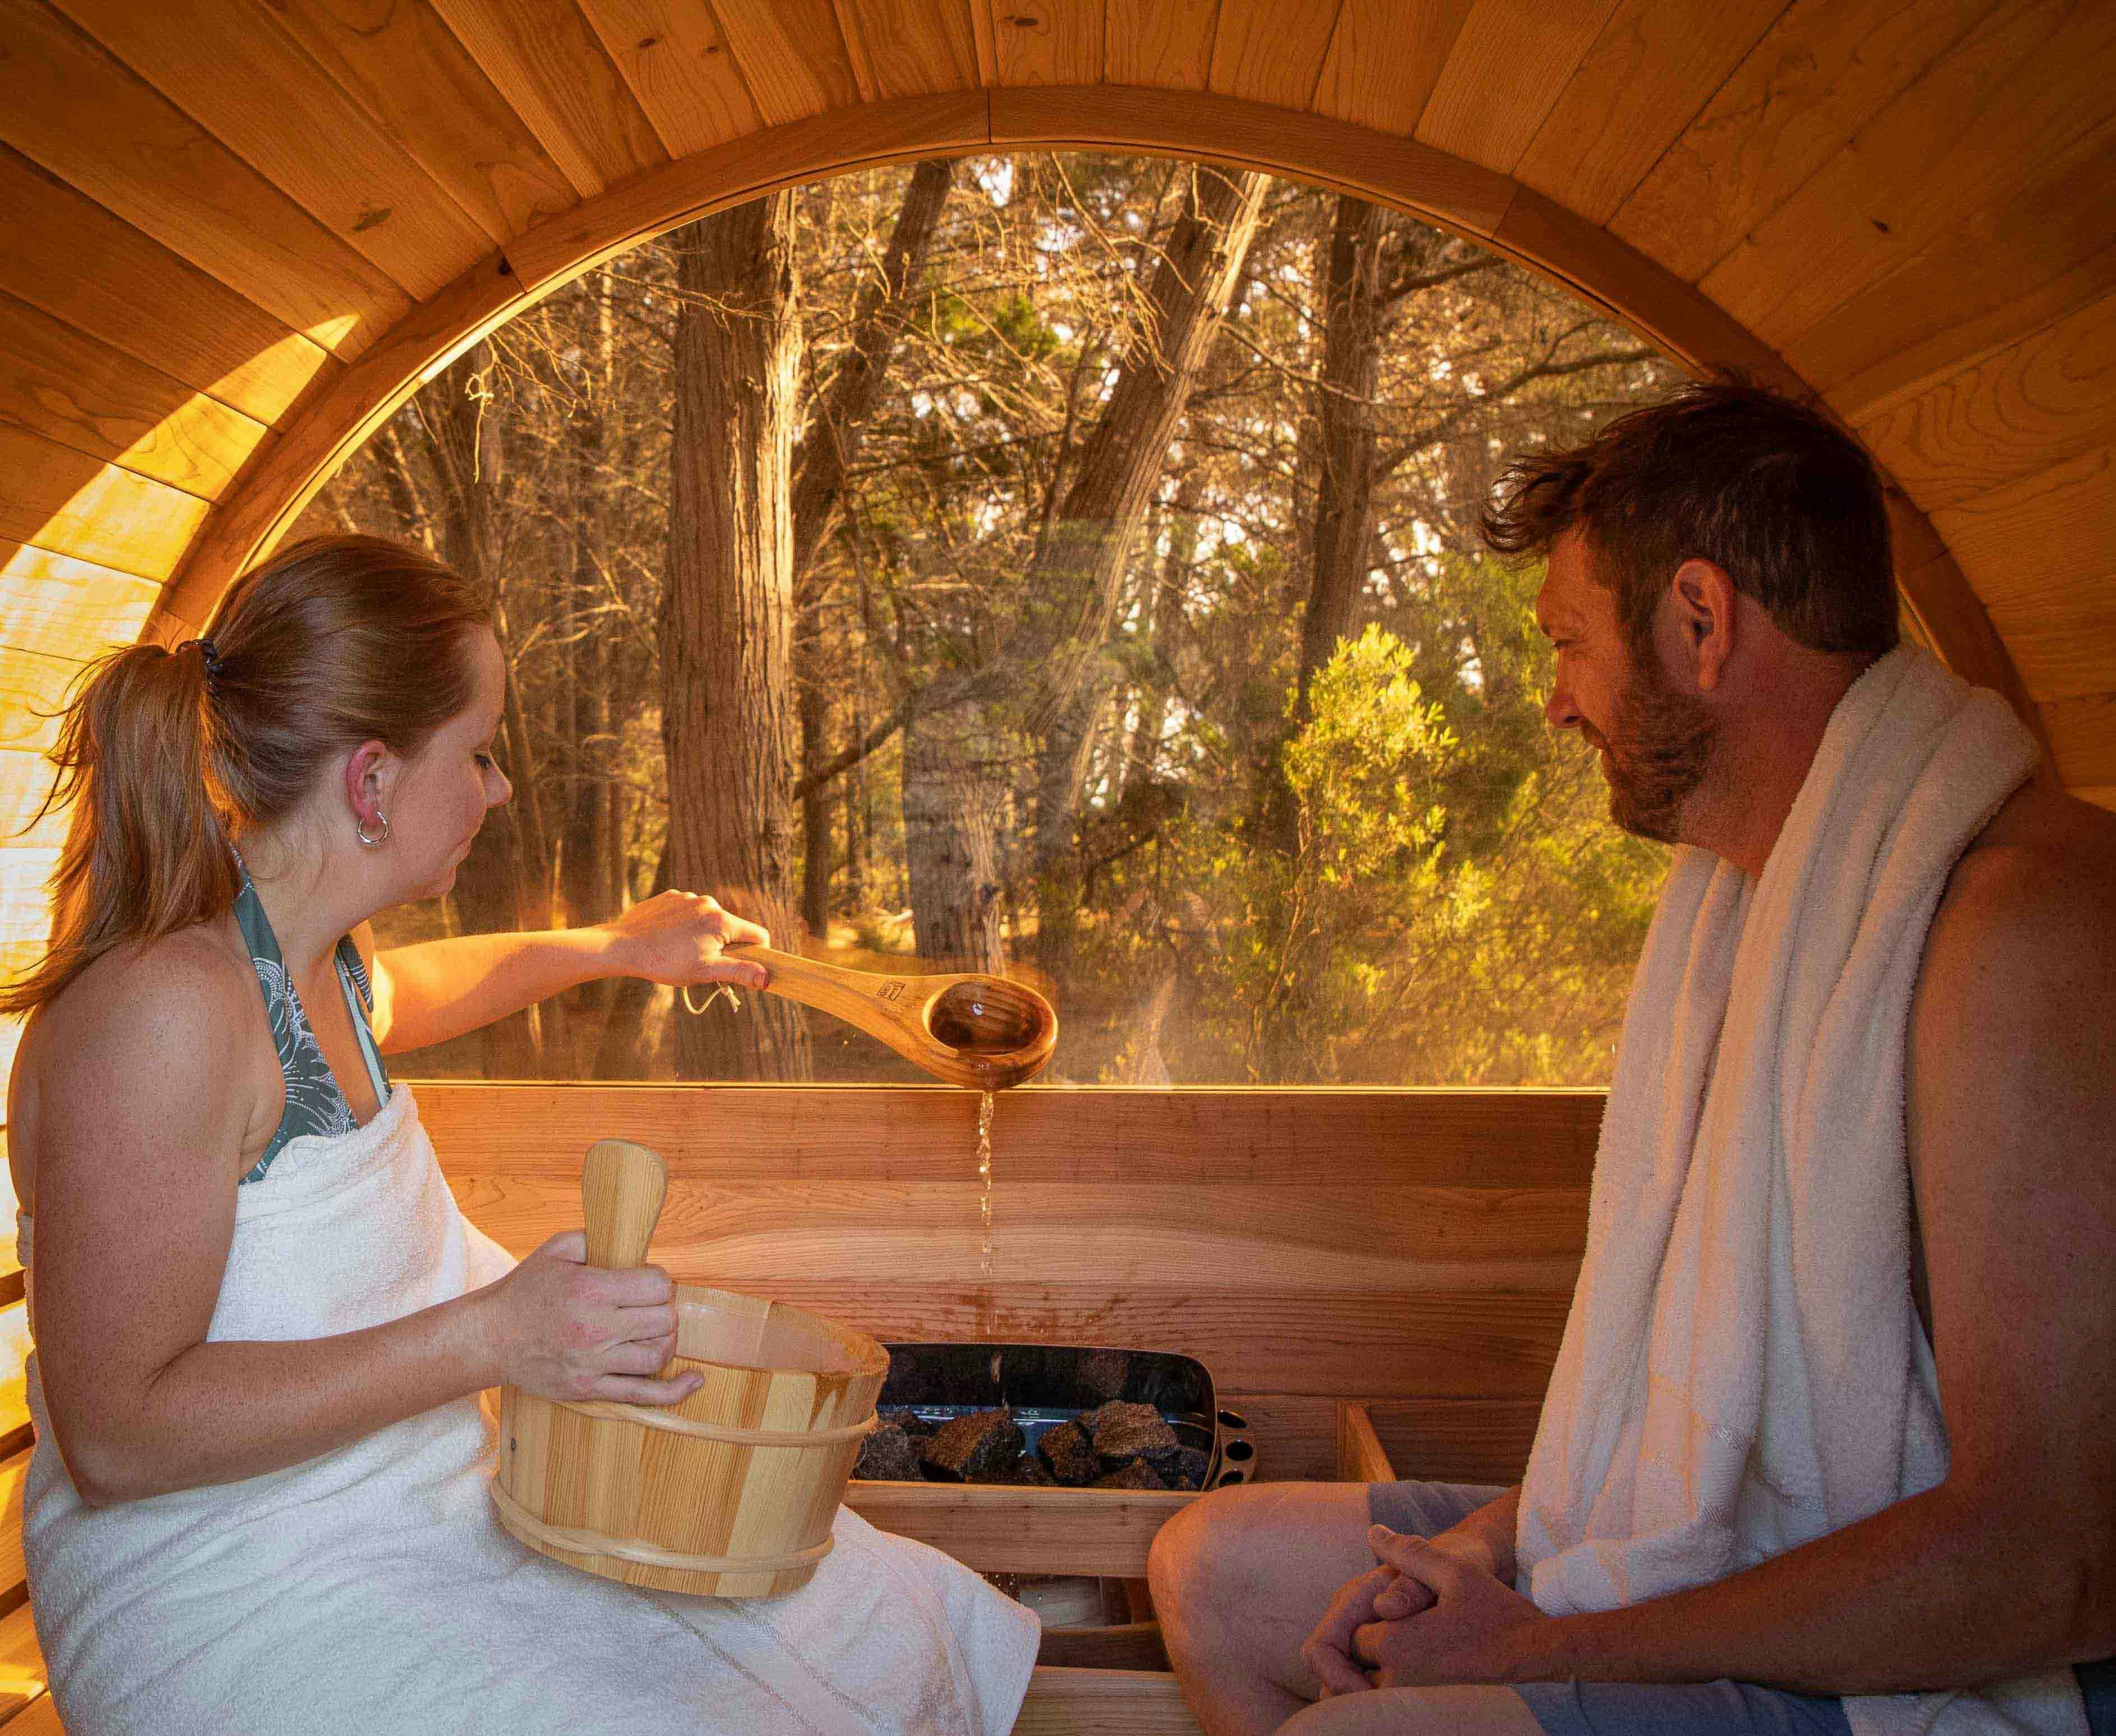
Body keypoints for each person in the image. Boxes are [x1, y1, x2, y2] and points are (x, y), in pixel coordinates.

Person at [1148, 380, 2116, 1736]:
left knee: (1382, 1731)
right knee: (1220, 1570)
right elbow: (1698, 1432)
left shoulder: (2015, 936)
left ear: (1702, 623)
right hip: (1744, 1560)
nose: (1557, 705)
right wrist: (1489, 1560)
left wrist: (1544, 1646)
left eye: (1567, 643)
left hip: (1956, 1666)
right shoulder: (1757, 906)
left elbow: (2052, 1564)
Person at [2, 534, 1038, 1736]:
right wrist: (495, 1334)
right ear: (373, 782)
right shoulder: (161, 1013)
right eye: (481, 753)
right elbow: (116, 1431)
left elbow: (421, 994)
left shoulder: (307, 955)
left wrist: (618, 948)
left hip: (397, 1500)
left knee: (869, 1603)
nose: (498, 789)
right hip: (223, 1578)